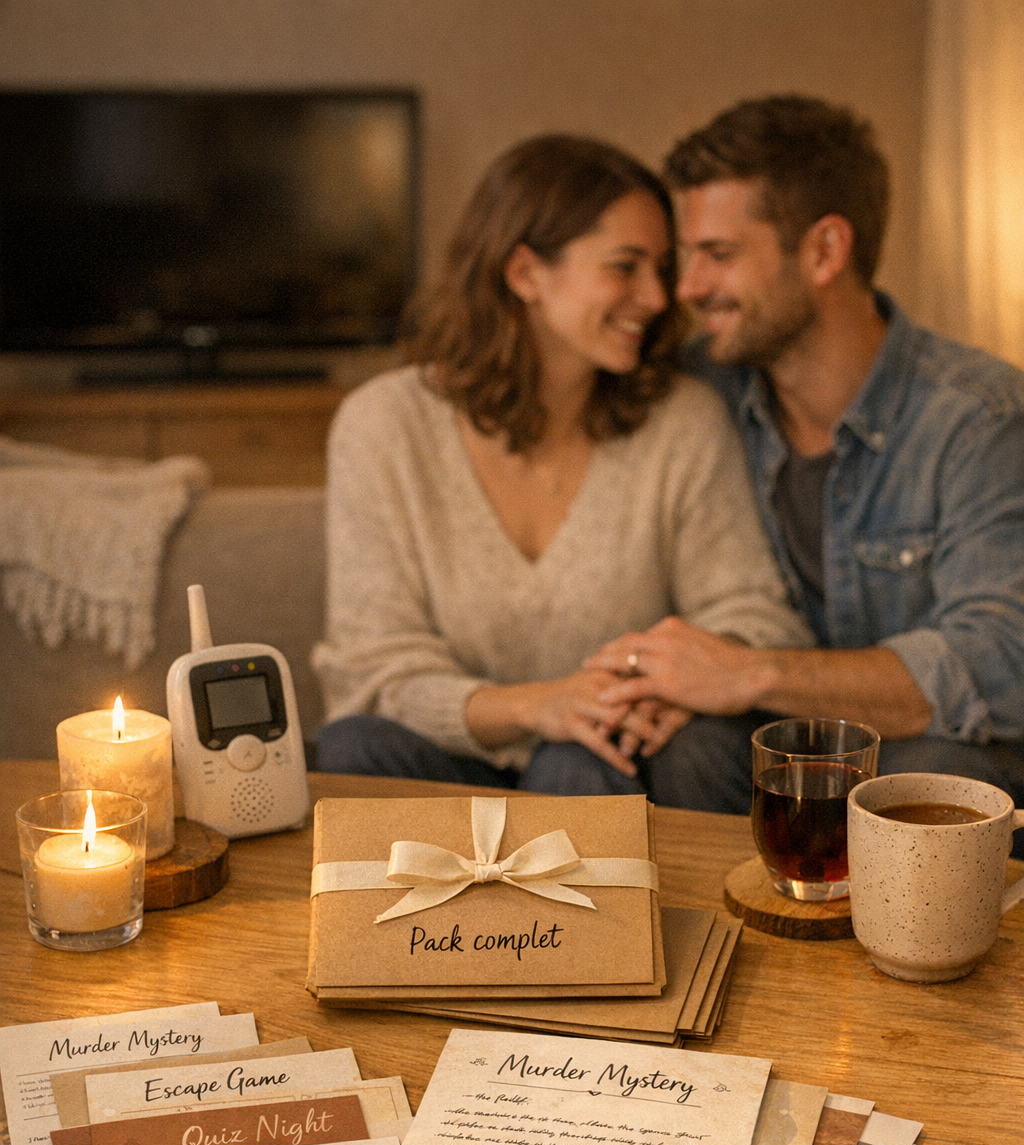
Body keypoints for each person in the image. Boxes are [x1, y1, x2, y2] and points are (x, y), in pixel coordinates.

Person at [312, 134, 812, 801]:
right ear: (525, 274)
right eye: (625, 266)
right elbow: (372, 671)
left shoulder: (681, 420)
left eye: (661, 268)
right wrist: (538, 706)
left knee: (573, 767)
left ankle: (577, 907)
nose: (660, 297)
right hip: (455, 763)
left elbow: (754, 618)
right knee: (352, 746)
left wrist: (658, 687)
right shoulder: (384, 426)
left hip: (617, 764)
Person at [589, 95, 1024, 825]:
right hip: (773, 743)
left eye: (718, 256)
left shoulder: (979, 419)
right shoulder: (702, 392)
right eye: (687, 256)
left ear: (825, 250)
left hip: (942, 752)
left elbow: (1002, 664)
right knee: (688, 748)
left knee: (927, 780)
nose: (686, 290)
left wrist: (749, 672)